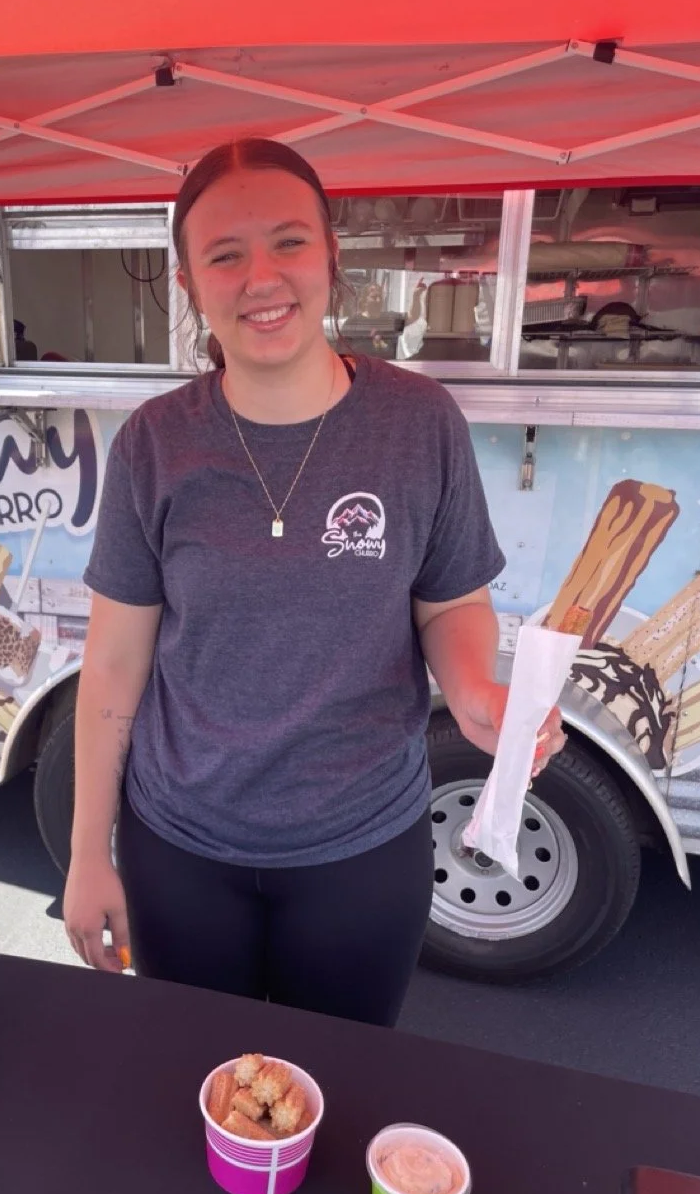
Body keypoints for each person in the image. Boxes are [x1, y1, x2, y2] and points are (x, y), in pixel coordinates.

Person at [63, 138, 566, 1027]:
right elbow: (112, 667)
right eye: (225, 254)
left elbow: (449, 601)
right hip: (179, 846)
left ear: (332, 256)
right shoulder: (154, 444)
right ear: (188, 284)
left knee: (335, 1092)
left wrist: (473, 688)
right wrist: (85, 854)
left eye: (289, 242)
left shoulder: (418, 423)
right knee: (199, 1083)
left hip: (364, 848)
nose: (262, 276)